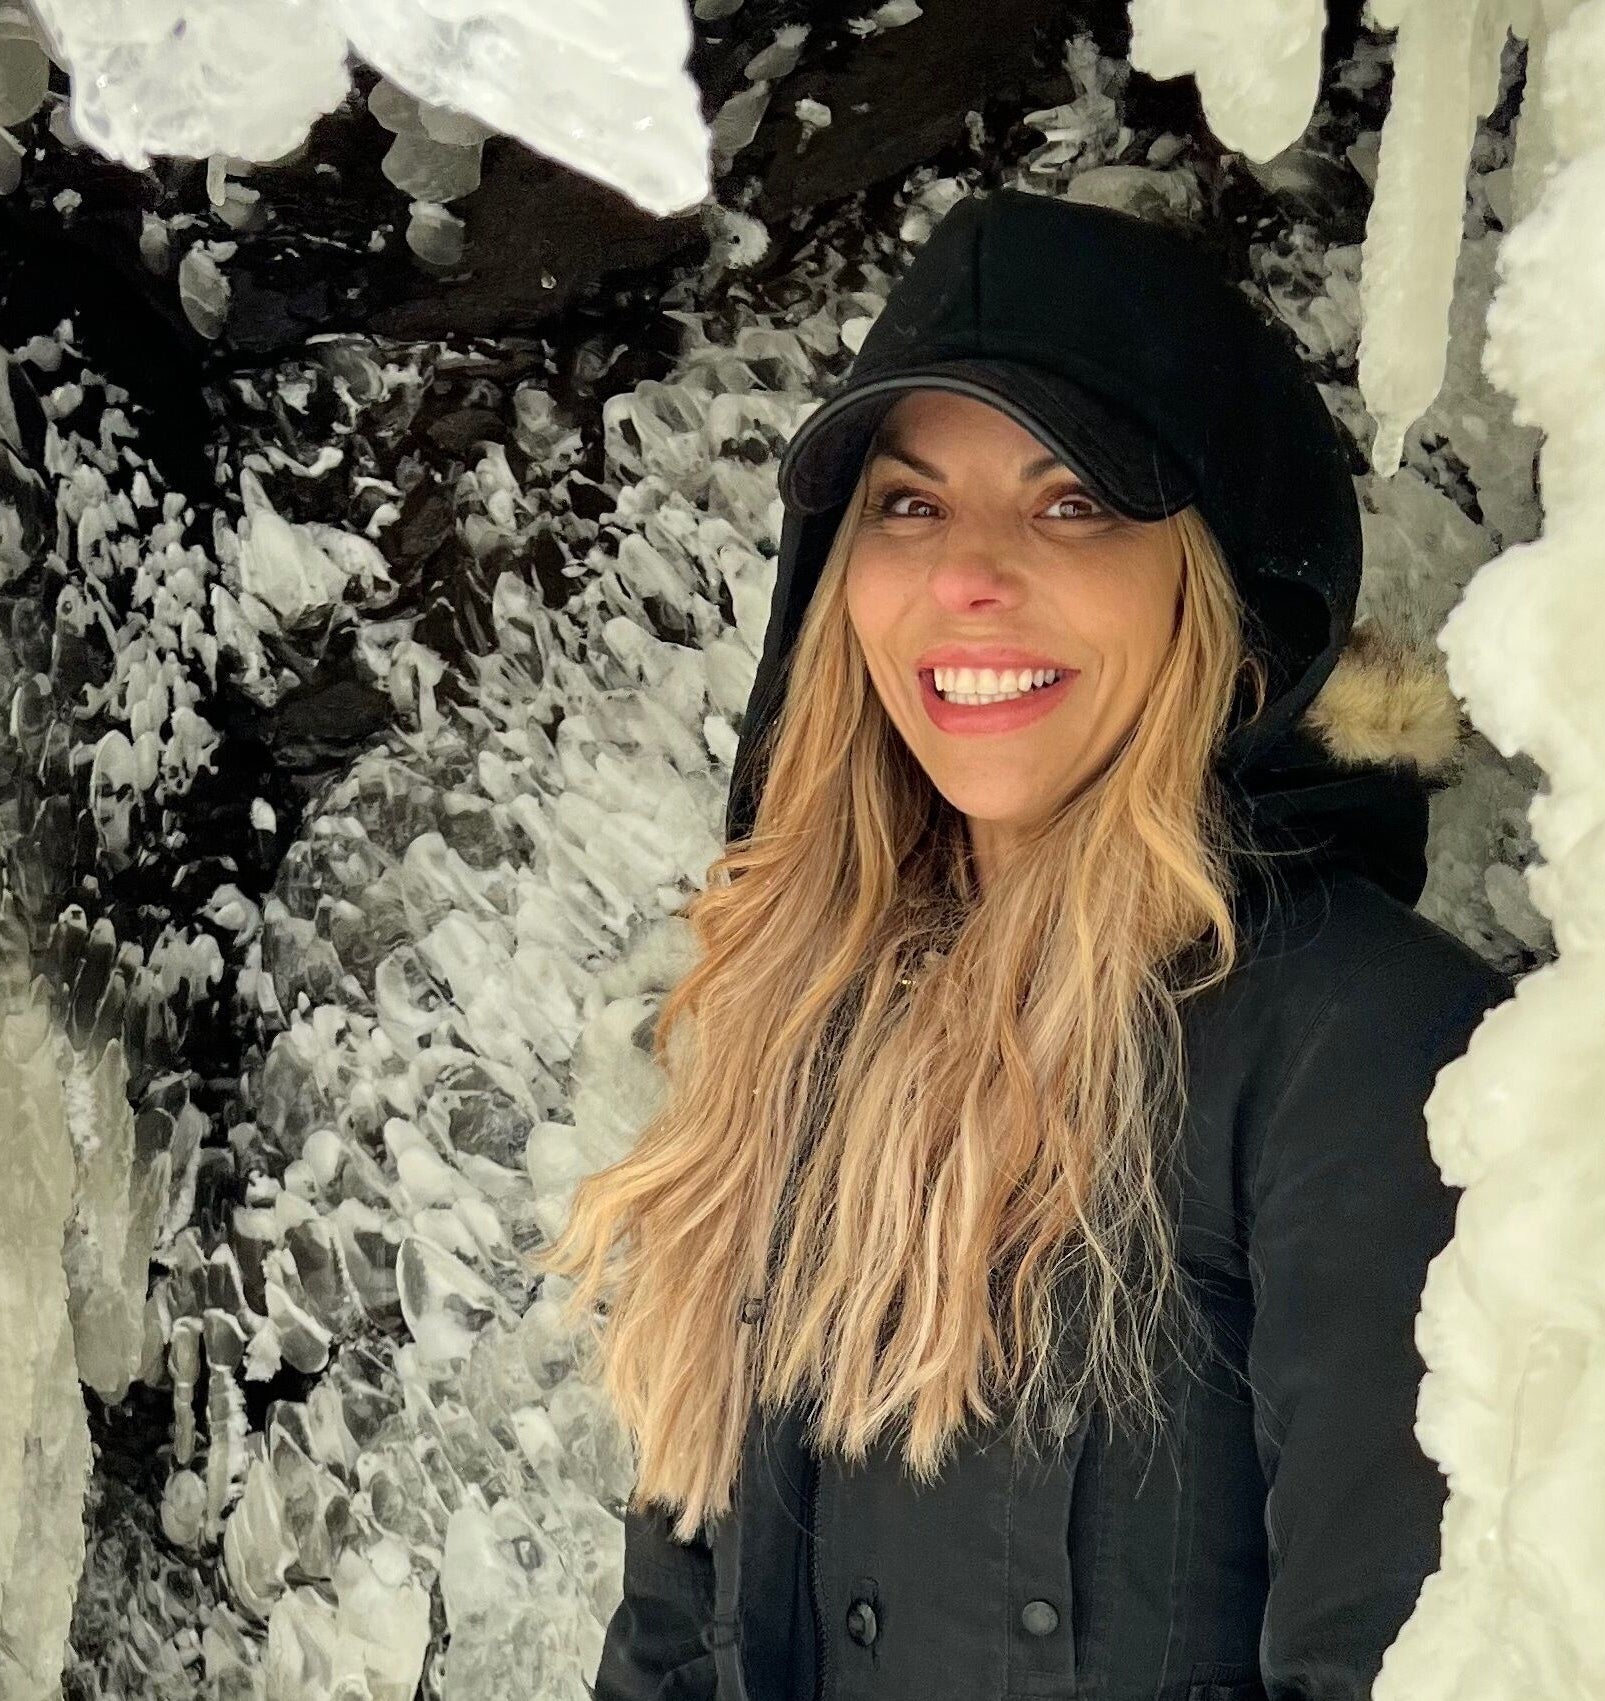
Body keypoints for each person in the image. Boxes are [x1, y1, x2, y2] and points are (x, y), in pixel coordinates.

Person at [541, 186, 1512, 1701]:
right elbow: (669, 1655)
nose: (965, 575)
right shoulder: (789, 1027)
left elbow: (1422, 1662)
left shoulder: (1368, 1051)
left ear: (1219, 574)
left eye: (1071, 502)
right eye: (907, 502)